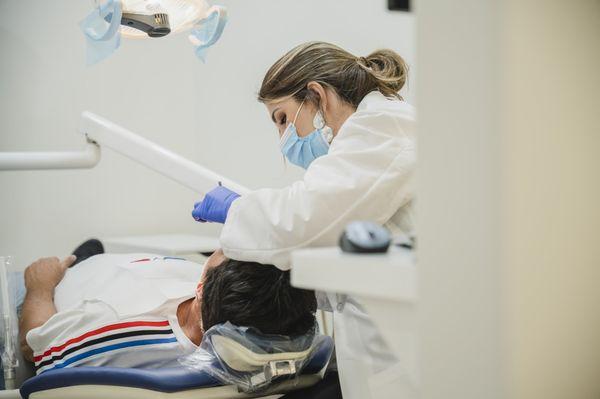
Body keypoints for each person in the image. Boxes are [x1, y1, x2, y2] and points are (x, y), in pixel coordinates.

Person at [191, 41, 416, 399]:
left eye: (282, 118)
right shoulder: (366, 145)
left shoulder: (383, 127)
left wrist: (236, 209)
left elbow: (304, 223)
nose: (283, 138)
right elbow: (342, 260)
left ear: (316, 94)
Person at [18, 241, 317, 375]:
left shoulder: (123, 324)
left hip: (63, 286)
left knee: (55, 266)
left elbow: (37, 347)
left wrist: (39, 286)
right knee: (95, 248)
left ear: (200, 288)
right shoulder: (270, 327)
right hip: (122, 273)